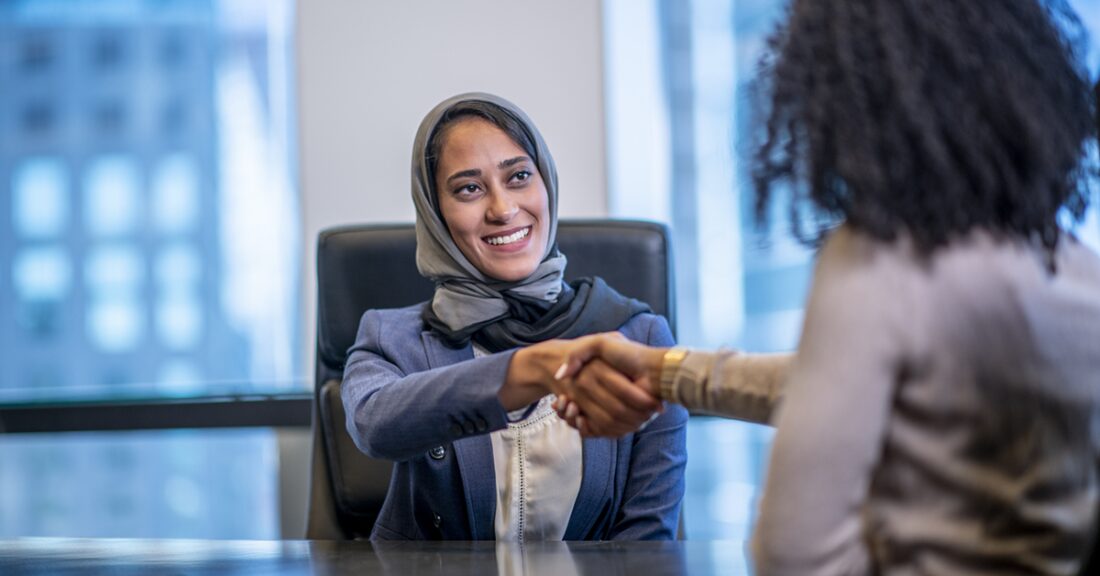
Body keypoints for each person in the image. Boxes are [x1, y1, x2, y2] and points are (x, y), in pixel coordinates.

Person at [553, 0, 1100, 573]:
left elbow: (796, 552)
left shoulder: (882, 261)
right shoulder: (1068, 265)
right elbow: (851, 379)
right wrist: (667, 372)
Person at [340, 92, 688, 542]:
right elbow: (376, 426)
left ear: (547, 185)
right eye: (469, 188)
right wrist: (530, 369)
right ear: (435, 213)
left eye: (519, 176)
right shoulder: (390, 337)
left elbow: (645, 547)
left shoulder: (640, 339)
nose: (502, 209)